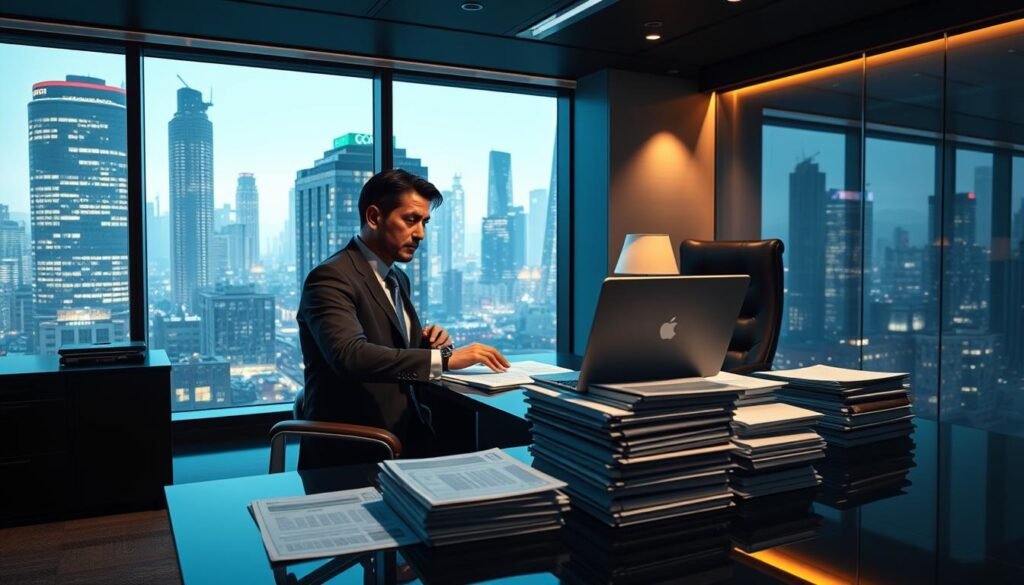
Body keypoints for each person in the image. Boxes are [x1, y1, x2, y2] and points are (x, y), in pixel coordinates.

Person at [296, 168, 510, 469]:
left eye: (424, 222)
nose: (420, 233)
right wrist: (445, 361)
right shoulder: (331, 277)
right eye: (410, 220)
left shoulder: (397, 278)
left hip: (409, 435)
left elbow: (387, 344)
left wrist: (430, 344)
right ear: (374, 217)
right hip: (355, 448)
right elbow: (350, 357)